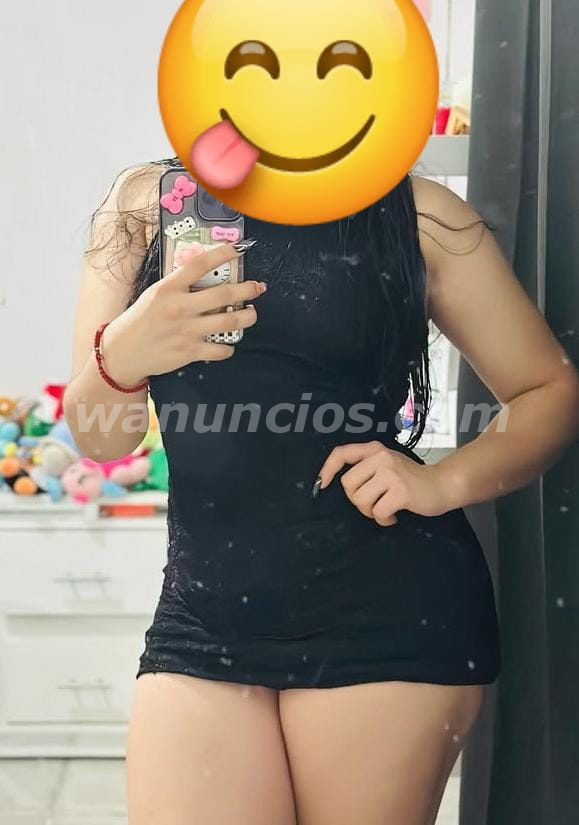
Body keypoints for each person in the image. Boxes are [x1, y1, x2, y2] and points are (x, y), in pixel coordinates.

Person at [64, 157, 579, 825]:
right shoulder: (144, 205)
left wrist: (442, 480)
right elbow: (103, 438)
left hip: (385, 608)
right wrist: (122, 353)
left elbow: (548, 390)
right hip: (202, 615)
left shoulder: (418, 213)